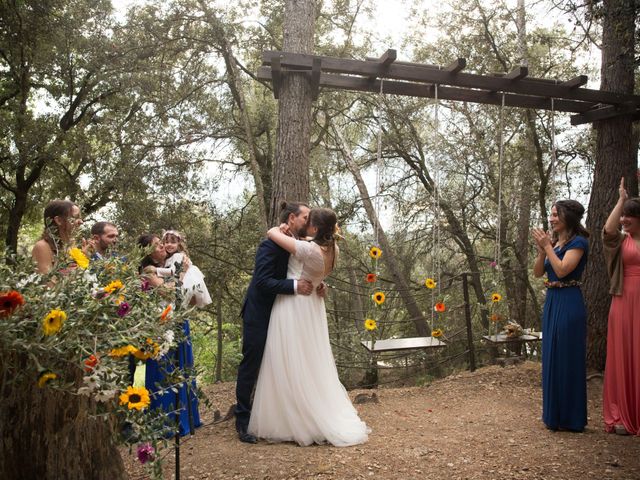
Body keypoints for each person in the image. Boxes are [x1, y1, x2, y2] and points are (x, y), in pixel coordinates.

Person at [248, 208, 369, 447]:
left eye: (309, 221)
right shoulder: (333, 248)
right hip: (313, 306)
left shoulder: (308, 248)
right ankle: (305, 411)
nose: (306, 224)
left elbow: (271, 232)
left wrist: (280, 229)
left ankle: (294, 419)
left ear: (314, 228)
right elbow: (314, 267)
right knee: (310, 360)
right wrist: (320, 283)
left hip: (294, 307)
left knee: (288, 359)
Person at [235, 201, 315, 443]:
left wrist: (318, 286)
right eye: (305, 218)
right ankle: (243, 421)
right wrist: (294, 286)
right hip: (260, 313)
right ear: (292, 218)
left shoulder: (300, 244)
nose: (309, 223)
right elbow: (262, 282)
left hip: (286, 314)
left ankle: (280, 416)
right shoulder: (270, 245)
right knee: (253, 364)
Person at [532, 200, 589, 432]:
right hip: (553, 301)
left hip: (569, 301)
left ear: (568, 217)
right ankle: (553, 415)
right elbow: (538, 273)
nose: (552, 219)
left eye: (556, 215)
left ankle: (571, 418)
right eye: (551, 214)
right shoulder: (554, 243)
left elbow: (564, 269)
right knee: (552, 356)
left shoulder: (579, 242)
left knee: (567, 357)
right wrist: (541, 251)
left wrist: (547, 247)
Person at [137, 233, 202, 436]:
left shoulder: (172, 262)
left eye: (163, 243)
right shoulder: (148, 270)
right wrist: (183, 275)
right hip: (160, 324)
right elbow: (168, 292)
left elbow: (187, 296)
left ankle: (186, 418)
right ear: (147, 251)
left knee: (183, 366)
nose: (164, 246)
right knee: (163, 369)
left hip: (178, 320)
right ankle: (163, 421)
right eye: (158, 245)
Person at [602, 177, 640, 436]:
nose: (625, 220)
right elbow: (608, 229)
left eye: (630, 216)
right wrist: (621, 200)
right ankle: (622, 414)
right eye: (624, 216)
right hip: (624, 299)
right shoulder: (620, 241)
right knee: (625, 353)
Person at [156, 230, 212, 307]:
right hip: (174, 282)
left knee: (177, 299)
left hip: (183, 280)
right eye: (167, 242)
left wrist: (156, 270)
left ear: (178, 244)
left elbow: (172, 271)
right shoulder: (168, 258)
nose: (169, 244)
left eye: (173, 242)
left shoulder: (178, 256)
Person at [32, 199, 83, 274]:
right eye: (75, 218)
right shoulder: (42, 247)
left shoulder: (72, 244)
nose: (81, 222)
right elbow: (47, 283)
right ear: (59, 220)